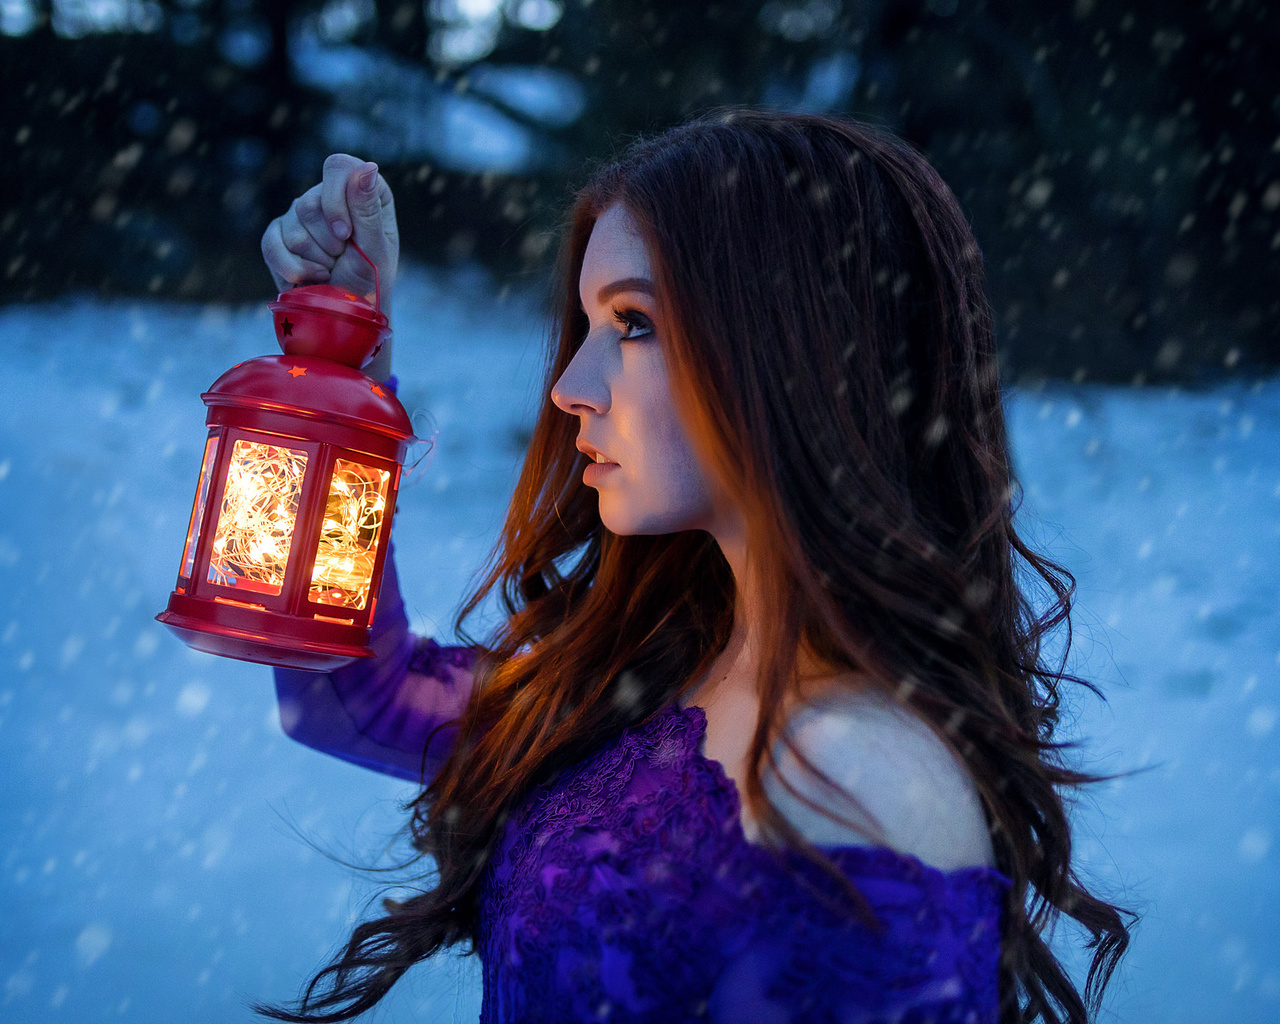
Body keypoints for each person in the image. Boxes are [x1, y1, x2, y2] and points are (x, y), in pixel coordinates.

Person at [256, 109, 1134, 1023]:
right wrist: (338, 373)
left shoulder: (864, 789)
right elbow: (347, 693)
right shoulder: (644, 672)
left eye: (632, 323)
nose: (569, 387)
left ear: (796, 350)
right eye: (591, 323)